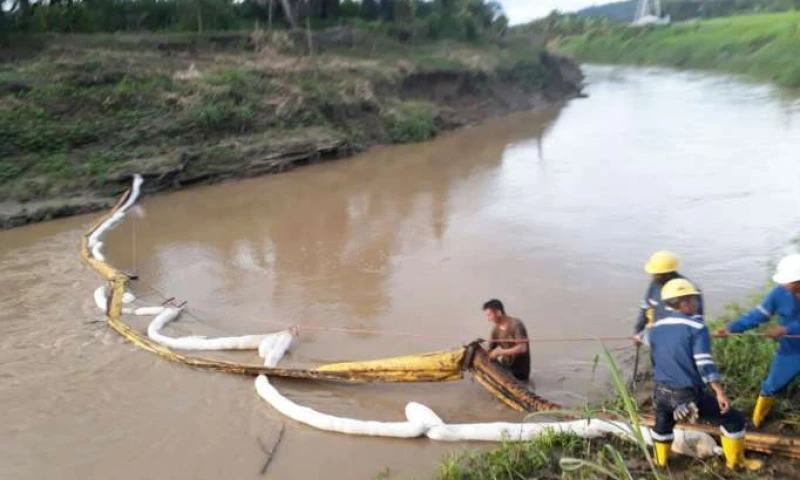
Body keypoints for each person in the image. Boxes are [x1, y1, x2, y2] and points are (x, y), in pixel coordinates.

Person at [643, 279, 762, 470]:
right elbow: (704, 364)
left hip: (660, 392)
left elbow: (654, 351)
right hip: (685, 396)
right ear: (683, 302)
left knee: (663, 424)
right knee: (733, 418)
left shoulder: (655, 329)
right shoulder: (697, 328)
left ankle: (661, 461)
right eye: (693, 299)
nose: (697, 303)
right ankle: (737, 462)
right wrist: (719, 392)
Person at [716, 253, 800, 428]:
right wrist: (732, 327)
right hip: (791, 350)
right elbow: (759, 315)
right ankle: (758, 419)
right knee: (771, 385)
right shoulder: (779, 293)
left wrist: (786, 329)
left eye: (787, 281)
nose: (783, 284)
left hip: (792, 339)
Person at [633, 251, 704, 344]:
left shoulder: (688, 290)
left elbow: (697, 321)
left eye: (656, 275)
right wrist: (638, 332)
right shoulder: (654, 285)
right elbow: (645, 309)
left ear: (668, 274)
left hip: (679, 341)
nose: (652, 277)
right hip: (657, 337)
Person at [483, 299, 530, 382]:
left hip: (520, 372)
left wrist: (499, 352)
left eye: (489, 315)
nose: (488, 319)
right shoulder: (496, 329)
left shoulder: (516, 324)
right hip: (505, 368)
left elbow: (522, 348)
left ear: (498, 312)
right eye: (487, 316)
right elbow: (489, 349)